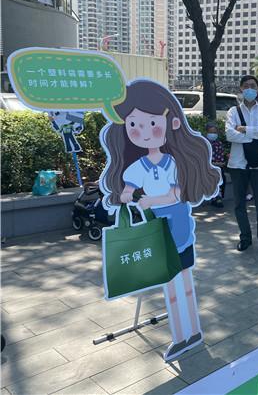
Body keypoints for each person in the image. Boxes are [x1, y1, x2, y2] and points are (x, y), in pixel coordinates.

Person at [102, 80, 222, 361]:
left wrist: (151, 201)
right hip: (157, 232)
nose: (142, 131)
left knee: (183, 285)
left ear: (173, 123)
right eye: (134, 125)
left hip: (178, 228)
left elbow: (177, 193)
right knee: (172, 288)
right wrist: (127, 195)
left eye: (152, 123)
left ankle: (191, 333)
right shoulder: (136, 167)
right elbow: (128, 190)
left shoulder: (175, 162)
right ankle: (182, 336)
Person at [225, 75, 258, 255]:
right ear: (241, 88)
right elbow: (229, 135)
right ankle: (245, 238)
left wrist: (245, 129)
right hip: (237, 164)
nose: (250, 89)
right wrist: (256, 134)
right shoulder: (233, 111)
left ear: (257, 88)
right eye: (246, 85)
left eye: (253, 86)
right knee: (239, 204)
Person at [206, 122, 226, 208]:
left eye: (214, 132)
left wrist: (218, 164)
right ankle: (214, 197)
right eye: (211, 132)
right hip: (206, 167)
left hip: (217, 166)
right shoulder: (204, 143)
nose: (213, 134)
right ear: (207, 132)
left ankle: (219, 197)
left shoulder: (219, 144)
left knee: (221, 176)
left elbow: (221, 160)